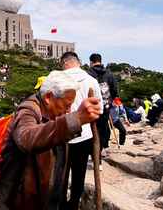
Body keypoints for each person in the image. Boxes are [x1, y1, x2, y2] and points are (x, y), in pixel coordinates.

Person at [0, 70, 101, 210]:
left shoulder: (53, 115)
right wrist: (77, 118)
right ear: (49, 97)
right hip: (19, 203)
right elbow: (27, 138)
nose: (68, 111)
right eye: (66, 105)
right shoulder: (28, 111)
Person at [59, 52, 102, 210]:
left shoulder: (57, 78)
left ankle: (59, 204)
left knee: (59, 175)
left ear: (64, 63)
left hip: (60, 134)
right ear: (78, 62)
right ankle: (73, 205)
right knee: (78, 176)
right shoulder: (91, 81)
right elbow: (100, 109)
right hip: (84, 135)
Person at [87, 53, 118, 156]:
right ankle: (102, 149)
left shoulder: (88, 74)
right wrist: (109, 101)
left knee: (91, 129)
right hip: (105, 106)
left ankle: (94, 152)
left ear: (91, 62)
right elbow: (114, 90)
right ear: (100, 61)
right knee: (103, 128)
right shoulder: (109, 74)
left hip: (91, 106)